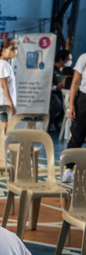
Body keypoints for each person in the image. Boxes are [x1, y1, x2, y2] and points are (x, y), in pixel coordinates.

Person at [62, 52, 86, 183]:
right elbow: (75, 82)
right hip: (83, 100)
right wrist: (71, 106)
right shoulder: (84, 58)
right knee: (77, 135)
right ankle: (69, 169)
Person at [0, 38, 19, 120]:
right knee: (2, 131)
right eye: (12, 48)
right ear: (4, 49)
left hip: (1, 105)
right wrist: (11, 104)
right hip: (2, 106)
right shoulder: (3, 65)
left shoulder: (4, 64)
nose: (15, 50)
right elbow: (4, 86)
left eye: (16, 48)